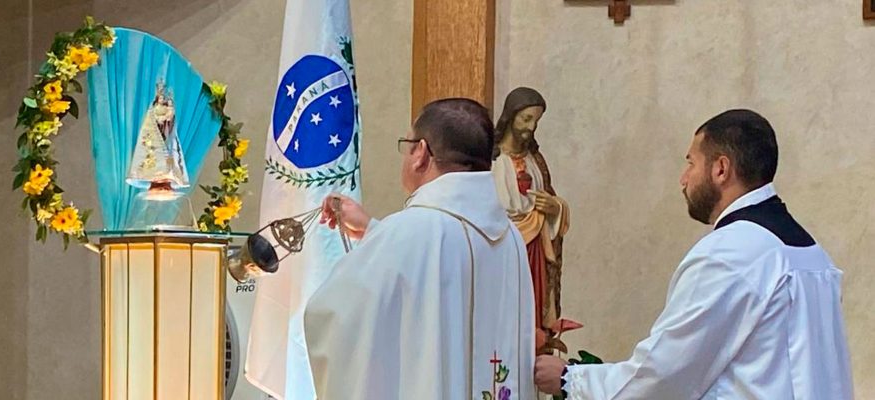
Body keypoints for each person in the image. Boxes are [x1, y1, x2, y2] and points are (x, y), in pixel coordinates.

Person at [535, 109, 854, 399]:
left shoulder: (730, 253)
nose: (683, 179)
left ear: (721, 169)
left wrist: (569, 378)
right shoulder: (812, 254)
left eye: (690, 163)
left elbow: (664, 375)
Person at [304, 98, 537, 399]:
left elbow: (336, 321)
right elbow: (444, 283)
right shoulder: (510, 237)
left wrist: (381, 238)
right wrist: (375, 232)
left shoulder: (408, 233)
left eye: (409, 144)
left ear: (421, 153)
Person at [492, 87, 574, 353]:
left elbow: (551, 200)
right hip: (502, 251)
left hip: (536, 253)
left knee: (535, 312)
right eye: (526, 118)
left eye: (535, 121)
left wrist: (554, 208)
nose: (531, 126)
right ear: (510, 116)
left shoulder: (536, 160)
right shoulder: (491, 162)